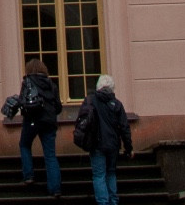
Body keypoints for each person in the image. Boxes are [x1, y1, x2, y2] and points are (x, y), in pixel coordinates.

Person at [75, 74, 132, 205]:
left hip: (96, 144)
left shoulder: (90, 101)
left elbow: (82, 121)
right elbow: (124, 128)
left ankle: (103, 202)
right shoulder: (117, 104)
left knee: (99, 175)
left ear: (98, 87)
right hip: (113, 145)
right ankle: (113, 200)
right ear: (112, 88)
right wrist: (129, 148)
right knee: (111, 173)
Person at [15, 57, 63, 197]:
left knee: (24, 144)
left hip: (32, 120)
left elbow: (23, 102)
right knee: (50, 155)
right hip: (49, 122)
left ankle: (28, 175)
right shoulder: (51, 84)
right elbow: (58, 107)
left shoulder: (28, 82)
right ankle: (55, 189)